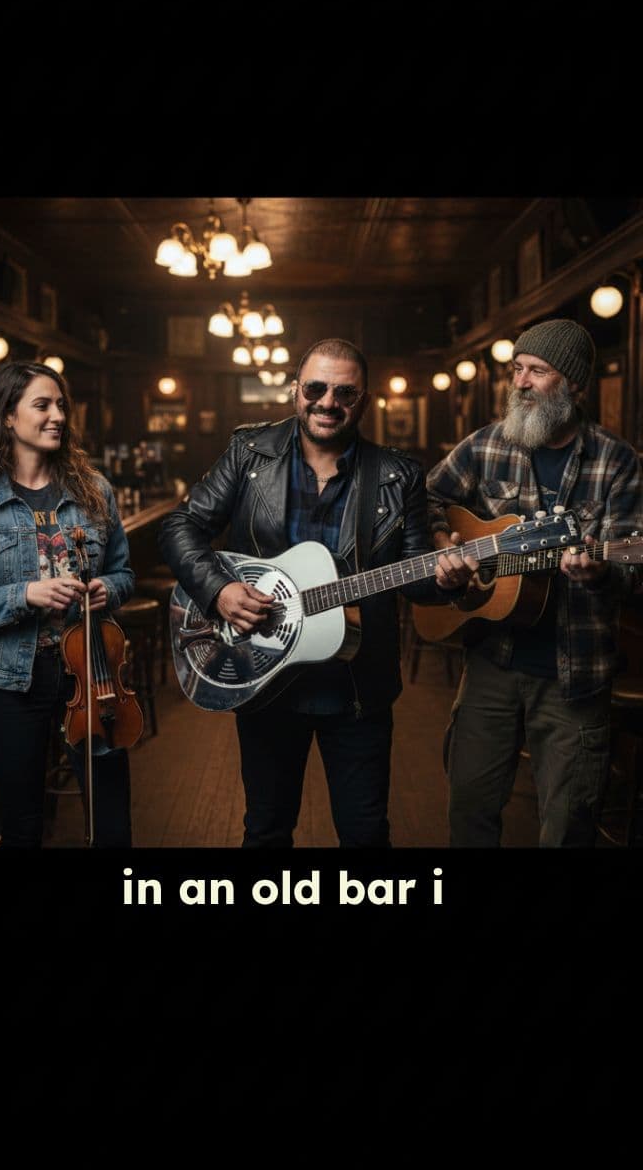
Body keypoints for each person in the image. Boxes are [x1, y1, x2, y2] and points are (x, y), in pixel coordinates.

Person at [158, 338, 472, 848]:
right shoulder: (249, 451)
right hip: (263, 676)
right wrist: (219, 591)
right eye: (316, 388)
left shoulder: (399, 475)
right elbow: (180, 526)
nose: (329, 402)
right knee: (265, 829)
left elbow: (415, 576)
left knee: (366, 833)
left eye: (345, 392)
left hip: (355, 689)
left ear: (364, 401)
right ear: (295, 390)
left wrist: (446, 579)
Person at [426, 318, 643, 848]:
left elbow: (635, 566)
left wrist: (601, 570)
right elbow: (424, 501)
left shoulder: (617, 462)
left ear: (572, 385)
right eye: (517, 369)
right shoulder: (486, 446)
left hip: (574, 675)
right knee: (469, 812)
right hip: (489, 665)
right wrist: (444, 547)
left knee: (567, 827)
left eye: (537, 371)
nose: (520, 382)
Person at [0, 361, 136, 848]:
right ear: (6, 416)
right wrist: (23, 595)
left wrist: (109, 588)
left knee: (111, 824)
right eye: (42, 405)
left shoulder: (95, 491)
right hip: (12, 681)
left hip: (93, 676)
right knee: (23, 825)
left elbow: (124, 573)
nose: (57, 416)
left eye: (60, 405)